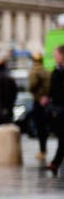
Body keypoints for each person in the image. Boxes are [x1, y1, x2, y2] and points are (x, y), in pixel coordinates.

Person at [28, 52, 51, 161]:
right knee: (46, 126)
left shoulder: (34, 71)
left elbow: (32, 85)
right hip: (47, 101)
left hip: (38, 101)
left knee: (40, 127)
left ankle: (43, 150)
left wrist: (33, 92)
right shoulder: (47, 71)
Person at [46, 45, 64, 176]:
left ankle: (55, 163)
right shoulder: (56, 70)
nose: (54, 57)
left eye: (55, 55)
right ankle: (55, 163)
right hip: (58, 109)